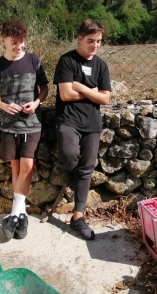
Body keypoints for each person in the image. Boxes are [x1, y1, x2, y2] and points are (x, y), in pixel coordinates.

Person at [0, 19, 49, 240]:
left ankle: (15, 211)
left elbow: (44, 88)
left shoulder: (34, 60)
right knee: (15, 167)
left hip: (32, 123)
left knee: (27, 165)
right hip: (9, 124)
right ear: (3, 40)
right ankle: (21, 216)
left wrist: (37, 102)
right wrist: (5, 106)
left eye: (21, 42)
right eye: (14, 42)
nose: (19, 46)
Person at [53, 19, 111, 240]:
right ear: (79, 38)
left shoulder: (101, 66)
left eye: (98, 41)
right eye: (90, 41)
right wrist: (91, 91)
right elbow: (65, 95)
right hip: (68, 120)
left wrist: (80, 86)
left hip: (92, 124)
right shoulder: (67, 61)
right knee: (69, 157)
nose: (95, 45)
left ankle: (78, 217)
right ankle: (74, 184)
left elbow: (105, 98)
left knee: (86, 167)